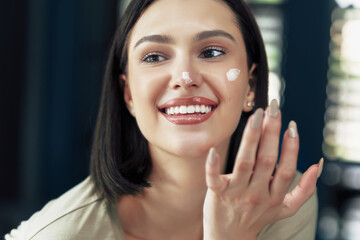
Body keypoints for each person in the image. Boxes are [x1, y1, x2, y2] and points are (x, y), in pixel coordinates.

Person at [5, 0, 323, 239]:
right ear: (128, 95)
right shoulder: (61, 234)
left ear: (250, 87)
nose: (184, 78)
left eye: (211, 52)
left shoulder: (281, 200)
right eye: (155, 57)